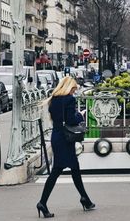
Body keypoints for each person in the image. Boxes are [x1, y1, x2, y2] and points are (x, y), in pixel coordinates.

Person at [37, 76, 95, 218]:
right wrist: (80, 116)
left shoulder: (54, 100)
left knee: (74, 168)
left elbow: (57, 118)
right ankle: (42, 202)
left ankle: (85, 199)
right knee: (57, 170)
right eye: (74, 89)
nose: (74, 92)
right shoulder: (69, 99)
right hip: (65, 139)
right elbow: (70, 119)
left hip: (57, 136)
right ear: (69, 87)